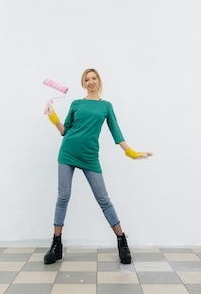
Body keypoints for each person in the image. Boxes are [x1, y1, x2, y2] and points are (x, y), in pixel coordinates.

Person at [43, 68, 152, 265]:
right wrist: (54, 119)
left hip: (90, 157)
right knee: (63, 197)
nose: (91, 81)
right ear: (83, 83)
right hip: (67, 152)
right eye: (87, 79)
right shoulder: (76, 104)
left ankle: (122, 241)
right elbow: (65, 131)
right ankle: (56, 244)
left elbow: (116, 132)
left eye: (94, 78)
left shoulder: (106, 107)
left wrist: (130, 151)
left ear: (98, 81)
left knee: (103, 199)